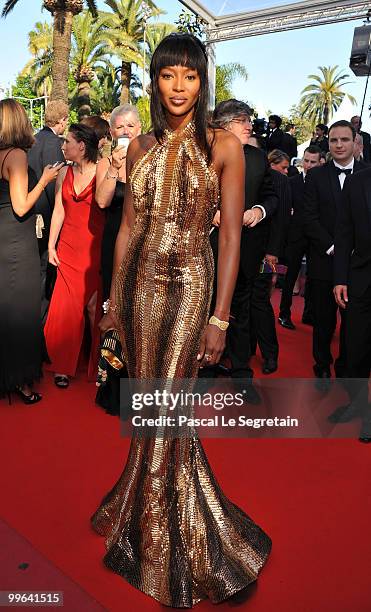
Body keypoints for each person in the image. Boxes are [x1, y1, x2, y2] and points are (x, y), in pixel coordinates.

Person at [91, 34, 271, 607]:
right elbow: (125, 228)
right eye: (168, 75)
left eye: (189, 77)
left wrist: (220, 316)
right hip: (142, 287)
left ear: (201, 83)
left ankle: (186, 544)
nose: (178, 87)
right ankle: (144, 514)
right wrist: (114, 300)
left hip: (194, 284)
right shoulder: (138, 146)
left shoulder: (223, 145)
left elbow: (234, 235)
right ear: (155, 80)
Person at [203, 99, 278, 389]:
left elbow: (272, 196)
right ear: (223, 125)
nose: (249, 126)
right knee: (207, 305)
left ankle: (240, 369)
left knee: (242, 308)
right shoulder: (202, 154)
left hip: (247, 248)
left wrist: (258, 211)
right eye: (242, 120)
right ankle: (205, 368)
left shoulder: (257, 158)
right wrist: (210, 213)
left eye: (249, 120)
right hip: (207, 248)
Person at [0, 99, 63, 402]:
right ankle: (22, 383)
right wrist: (47, 180)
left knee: (5, 311)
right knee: (23, 312)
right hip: (16, 244)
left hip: (3, 240)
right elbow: (22, 205)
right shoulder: (16, 156)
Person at [304, 120, 367, 386]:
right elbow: (308, 217)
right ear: (327, 144)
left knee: (354, 325)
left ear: (355, 143)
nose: (339, 145)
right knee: (323, 319)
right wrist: (334, 247)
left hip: (360, 265)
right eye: (333, 140)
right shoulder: (316, 176)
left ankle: (346, 368)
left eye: (344, 139)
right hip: (323, 259)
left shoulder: (366, 173)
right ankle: (322, 363)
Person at [44, 124, 105, 387]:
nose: (63, 146)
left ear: (81, 145)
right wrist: (50, 246)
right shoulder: (64, 172)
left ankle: (102, 365)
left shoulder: (102, 169)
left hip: (94, 248)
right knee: (66, 308)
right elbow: (59, 210)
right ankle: (62, 366)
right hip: (68, 246)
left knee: (93, 308)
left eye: (67, 141)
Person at [94, 104, 141, 414]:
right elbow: (101, 200)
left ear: (140, 129)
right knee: (115, 310)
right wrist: (113, 167)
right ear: (111, 132)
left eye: (130, 126)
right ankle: (113, 388)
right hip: (114, 243)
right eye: (119, 127)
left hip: (145, 244)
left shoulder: (151, 161)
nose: (125, 131)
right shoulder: (104, 163)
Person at [333, 168, 371, 442]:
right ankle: (360, 406)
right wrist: (340, 278)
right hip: (361, 279)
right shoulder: (358, 180)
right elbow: (344, 232)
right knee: (354, 348)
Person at [28, 100, 68, 320]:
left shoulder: (32, 140)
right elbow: (55, 186)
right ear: (62, 120)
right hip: (45, 214)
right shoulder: (53, 143)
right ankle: (42, 320)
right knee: (45, 268)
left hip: (30, 211)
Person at [278, 145, 321, 330]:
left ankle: (309, 314)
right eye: (307, 161)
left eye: (313, 162)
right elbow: (286, 211)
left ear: (320, 162)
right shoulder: (292, 182)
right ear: (302, 160)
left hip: (317, 238)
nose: (309, 165)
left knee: (315, 277)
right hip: (296, 236)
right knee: (290, 277)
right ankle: (284, 314)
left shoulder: (323, 183)